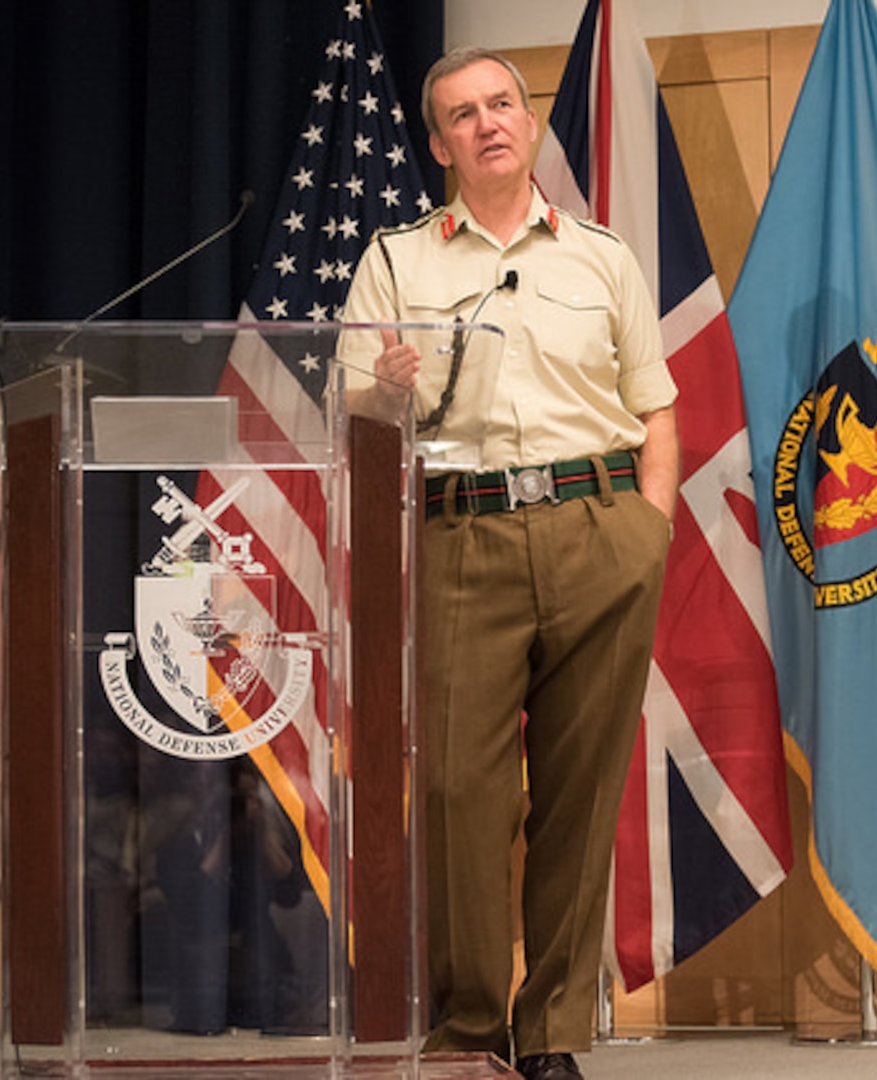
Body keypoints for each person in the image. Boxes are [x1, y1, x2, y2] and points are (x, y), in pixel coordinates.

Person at [337, 47, 678, 1080]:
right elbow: (353, 414)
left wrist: (649, 533)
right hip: (458, 538)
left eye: (501, 105)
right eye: (462, 115)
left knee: (579, 797)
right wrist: (384, 389)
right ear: (439, 145)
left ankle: (554, 1036)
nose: (487, 124)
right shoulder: (396, 263)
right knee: (456, 797)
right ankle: (470, 1031)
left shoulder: (600, 256)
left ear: (528, 125)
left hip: (598, 532)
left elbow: (655, 407)